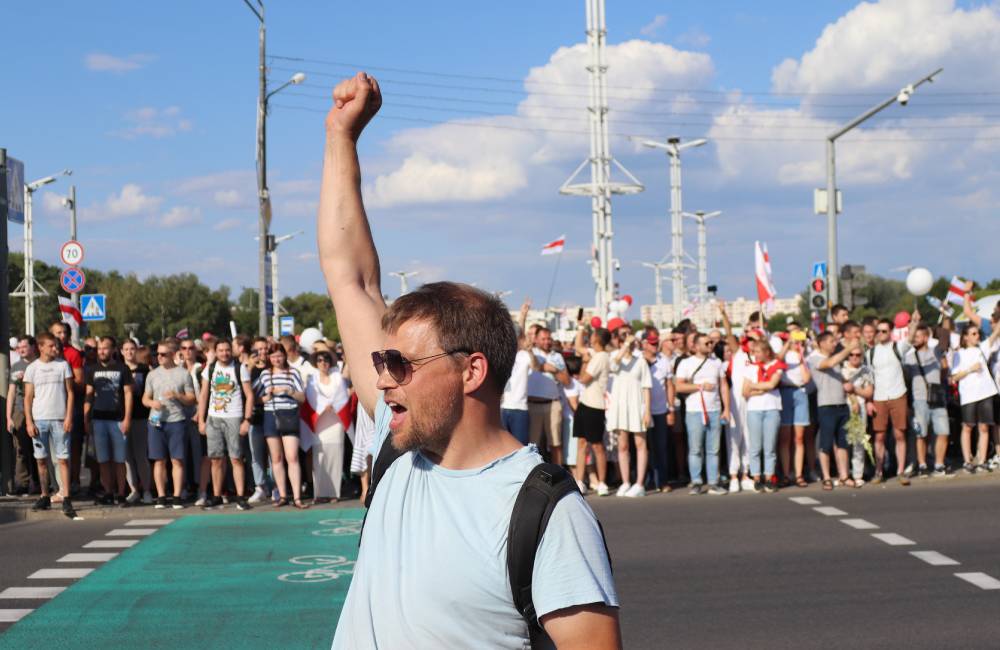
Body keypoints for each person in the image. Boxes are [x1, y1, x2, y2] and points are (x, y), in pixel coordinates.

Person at [319, 71, 619, 648]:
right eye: (381, 362)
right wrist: (340, 137)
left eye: (402, 365)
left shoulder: (545, 510)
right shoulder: (397, 450)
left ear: (471, 371)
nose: (382, 380)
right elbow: (350, 277)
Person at [197, 339, 254, 511]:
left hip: (234, 416)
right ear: (215, 351)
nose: (224, 353)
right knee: (215, 458)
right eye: (220, 350)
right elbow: (204, 395)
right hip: (214, 417)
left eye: (227, 350)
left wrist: (247, 420)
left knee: (236, 458)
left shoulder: (239, 368)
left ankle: (240, 496)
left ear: (232, 351)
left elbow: (249, 395)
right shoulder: (210, 368)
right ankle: (216, 495)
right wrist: (201, 420)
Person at [24, 332, 76, 517]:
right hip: (40, 419)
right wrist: (29, 421)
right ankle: (45, 495)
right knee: (41, 459)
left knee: (62, 459)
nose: (55, 349)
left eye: (56, 346)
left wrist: (69, 417)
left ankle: (67, 497)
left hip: (60, 419)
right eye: (51, 346)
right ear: (41, 347)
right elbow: (28, 397)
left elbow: (70, 392)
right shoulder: (32, 368)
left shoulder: (63, 365)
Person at [143, 339, 197, 509]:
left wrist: (177, 396)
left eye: (163, 354)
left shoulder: (183, 374)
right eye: (157, 354)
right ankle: (161, 496)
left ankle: (176, 496)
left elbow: (191, 399)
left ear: (173, 355)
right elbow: (145, 398)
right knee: (158, 460)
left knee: (177, 460)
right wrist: (152, 404)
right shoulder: (152, 374)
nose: (159, 357)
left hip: (176, 420)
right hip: (156, 421)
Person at [675, 333, 731, 495]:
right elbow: (679, 386)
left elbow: (723, 386)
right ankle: (696, 481)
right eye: (706, 343)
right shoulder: (686, 363)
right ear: (696, 346)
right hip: (694, 411)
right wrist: (700, 386)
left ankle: (713, 482)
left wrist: (726, 409)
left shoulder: (717, 362)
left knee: (713, 449)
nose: (710, 345)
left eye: (711, 343)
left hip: (714, 410)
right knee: (695, 448)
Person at [254, 342, 307, 508]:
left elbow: (302, 398)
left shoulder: (293, 373)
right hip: (271, 415)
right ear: (269, 358)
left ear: (285, 356)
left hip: (290, 415)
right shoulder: (264, 374)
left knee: (292, 457)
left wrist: (289, 391)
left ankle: (297, 497)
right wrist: (266, 397)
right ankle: (283, 495)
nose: (277, 359)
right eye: (273, 356)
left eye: (279, 355)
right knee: (276, 458)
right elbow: (254, 397)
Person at [83, 336, 133, 506]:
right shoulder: (92, 370)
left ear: (113, 350)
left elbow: (128, 394)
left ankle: (121, 493)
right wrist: (86, 419)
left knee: (119, 460)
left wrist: (127, 418)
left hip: (117, 419)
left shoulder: (122, 369)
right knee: (103, 460)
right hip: (98, 419)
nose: (101, 352)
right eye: (99, 348)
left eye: (105, 348)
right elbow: (88, 395)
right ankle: (108, 492)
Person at [868, 315, 917, 485]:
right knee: (879, 436)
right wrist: (869, 400)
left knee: (899, 434)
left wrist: (914, 323)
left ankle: (901, 471)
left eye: (884, 331)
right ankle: (878, 471)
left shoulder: (897, 347)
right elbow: (870, 378)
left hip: (898, 394)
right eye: (878, 331)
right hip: (879, 397)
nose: (880, 334)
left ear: (890, 332)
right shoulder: (871, 352)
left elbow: (910, 338)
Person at [807, 333, 859, 490]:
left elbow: (842, 380)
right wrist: (849, 347)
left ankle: (844, 475)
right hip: (826, 406)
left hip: (841, 405)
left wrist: (853, 398)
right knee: (826, 444)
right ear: (821, 343)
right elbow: (828, 363)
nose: (834, 344)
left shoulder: (835, 359)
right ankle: (827, 477)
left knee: (843, 443)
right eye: (831, 341)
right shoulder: (815, 359)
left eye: (834, 341)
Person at [607, 326, 652, 497]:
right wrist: (625, 345)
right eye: (623, 335)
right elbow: (613, 366)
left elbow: (646, 387)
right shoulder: (614, 357)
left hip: (637, 405)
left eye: (629, 335)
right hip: (620, 406)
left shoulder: (640, 361)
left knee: (640, 444)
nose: (628, 338)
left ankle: (639, 483)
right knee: (623, 446)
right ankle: (625, 481)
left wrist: (647, 410)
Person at [950, 324, 1000, 473]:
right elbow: (954, 377)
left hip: (985, 392)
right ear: (965, 337)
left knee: (984, 427)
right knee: (967, 426)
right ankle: (967, 460)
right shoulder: (959, 354)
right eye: (973, 334)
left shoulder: (981, 348)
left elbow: (994, 334)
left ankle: (982, 460)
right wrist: (970, 369)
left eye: (977, 333)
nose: (977, 336)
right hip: (969, 395)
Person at [905, 324, 951, 477]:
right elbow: (906, 379)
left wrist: (943, 319)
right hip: (919, 400)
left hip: (937, 398)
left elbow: (945, 338)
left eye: (917, 336)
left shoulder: (935, 353)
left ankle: (939, 464)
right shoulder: (909, 357)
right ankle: (922, 464)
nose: (914, 340)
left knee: (943, 431)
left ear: (925, 337)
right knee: (921, 434)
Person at [742, 338, 785, 492]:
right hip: (754, 410)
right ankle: (756, 477)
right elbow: (744, 391)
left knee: (770, 446)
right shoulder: (751, 368)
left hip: (772, 408)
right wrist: (761, 389)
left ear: (767, 352)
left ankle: (769, 477)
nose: (755, 355)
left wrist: (754, 387)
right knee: (755, 446)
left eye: (758, 352)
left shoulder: (776, 366)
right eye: (754, 352)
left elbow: (772, 384)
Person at [307, 350, 350, 501]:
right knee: (320, 457)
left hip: (335, 421)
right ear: (316, 363)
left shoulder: (337, 377)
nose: (323, 362)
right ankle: (320, 493)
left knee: (335, 456)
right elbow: (311, 396)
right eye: (319, 360)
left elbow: (342, 395)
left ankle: (334, 493)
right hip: (320, 423)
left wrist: (333, 405)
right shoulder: (312, 379)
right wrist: (324, 406)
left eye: (325, 360)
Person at [49, 322, 86, 495]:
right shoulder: (45, 356)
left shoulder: (72, 354)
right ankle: (58, 484)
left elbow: (80, 382)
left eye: (64, 332)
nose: (62, 336)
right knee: (54, 449)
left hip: (72, 406)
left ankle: (75, 481)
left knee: (74, 446)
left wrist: (63, 383)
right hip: (51, 407)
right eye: (58, 332)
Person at [526, 326, 569, 465]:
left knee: (556, 443)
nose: (547, 341)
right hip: (533, 405)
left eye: (549, 338)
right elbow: (535, 366)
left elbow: (567, 381)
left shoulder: (557, 356)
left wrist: (554, 370)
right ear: (536, 339)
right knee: (533, 446)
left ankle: (558, 477)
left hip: (553, 404)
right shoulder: (530, 353)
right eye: (543, 338)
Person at [777, 329, 813, 487]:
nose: (797, 341)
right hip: (785, 392)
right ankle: (786, 473)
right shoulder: (784, 353)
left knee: (799, 437)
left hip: (800, 392)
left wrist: (802, 355)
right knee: (785, 437)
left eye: (800, 338)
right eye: (795, 338)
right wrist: (788, 343)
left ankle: (798, 474)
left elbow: (806, 378)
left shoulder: (803, 355)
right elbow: (777, 360)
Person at [121, 339, 153, 505]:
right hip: (123, 418)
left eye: (132, 349)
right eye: (126, 349)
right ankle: (134, 490)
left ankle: (147, 489)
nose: (129, 352)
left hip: (141, 417)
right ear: (121, 351)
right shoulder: (119, 369)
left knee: (141, 456)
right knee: (127, 457)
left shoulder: (144, 370)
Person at [6, 336, 39, 495]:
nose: (21, 350)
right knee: (21, 449)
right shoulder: (15, 367)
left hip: (38, 409)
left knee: (39, 448)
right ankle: (23, 483)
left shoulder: (40, 364)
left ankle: (42, 482)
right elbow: (11, 393)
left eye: (25, 346)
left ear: (33, 347)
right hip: (19, 411)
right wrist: (9, 416)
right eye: (19, 347)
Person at [501, 300, 535, 445]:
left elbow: (536, 366)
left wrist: (523, 316)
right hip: (502, 408)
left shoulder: (525, 356)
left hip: (520, 409)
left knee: (520, 447)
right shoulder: (501, 354)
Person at [642, 331, 671, 492]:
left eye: (656, 342)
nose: (654, 345)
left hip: (660, 411)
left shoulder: (664, 361)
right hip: (641, 411)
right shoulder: (638, 359)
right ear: (644, 343)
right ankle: (648, 480)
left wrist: (671, 407)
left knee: (661, 447)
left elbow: (669, 385)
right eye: (651, 343)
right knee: (645, 447)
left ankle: (663, 480)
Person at [246, 337, 272, 503]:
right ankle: (260, 486)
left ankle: (275, 486)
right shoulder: (248, 370)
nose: (262, 352)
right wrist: (249, 367)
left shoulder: (273, 367)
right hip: (254, 416)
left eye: (265, 349)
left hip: (271, 415)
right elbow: (245, 393)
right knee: (256, 454)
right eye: (258, 350)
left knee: (273, 454)